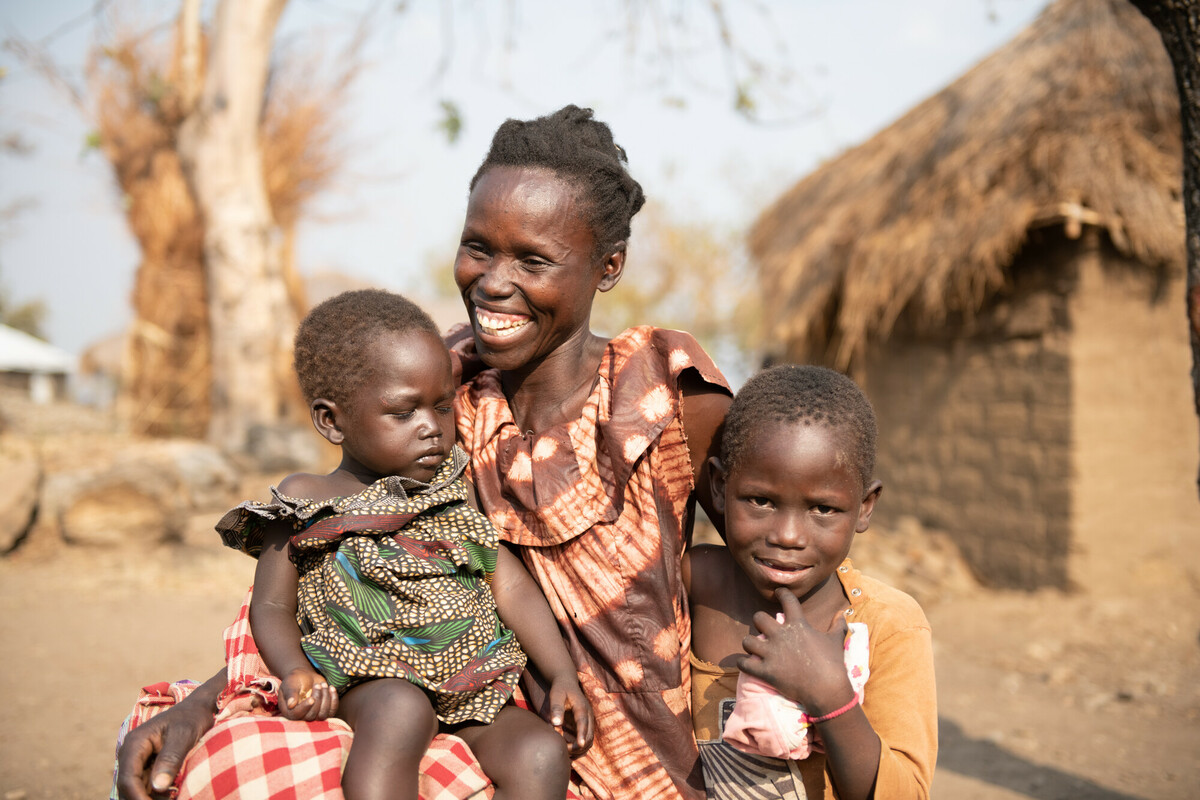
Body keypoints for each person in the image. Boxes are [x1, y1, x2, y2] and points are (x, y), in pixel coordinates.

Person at [116, 105, 732, 800]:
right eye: (479, 247)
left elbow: (782, 557)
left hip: (638, 768)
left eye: (533, 259)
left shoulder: (663, 393)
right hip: (464, 752)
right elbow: (331, 572)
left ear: (608, 266)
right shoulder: (442, 392)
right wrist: (203, 704)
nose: (493, 282)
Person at [211, 289, 592, 800]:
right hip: (367, 682)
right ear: (332, 420)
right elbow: (273, 603)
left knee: (540, 753)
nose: (432, 429)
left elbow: (511, 586)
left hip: (470, 687)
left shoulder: (451, 493)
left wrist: (562, 672)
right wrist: (296, 671)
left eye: (441, 407)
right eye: (403, 413)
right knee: (401, 710)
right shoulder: (307, 500)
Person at [684, 365, 937, 800]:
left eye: (822, 509)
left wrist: (831, 697)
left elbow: (907, 794)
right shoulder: (692, 586)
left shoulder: (888, 624)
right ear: (721, 486)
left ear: (865, 508)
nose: (788, 536)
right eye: (761, 501)